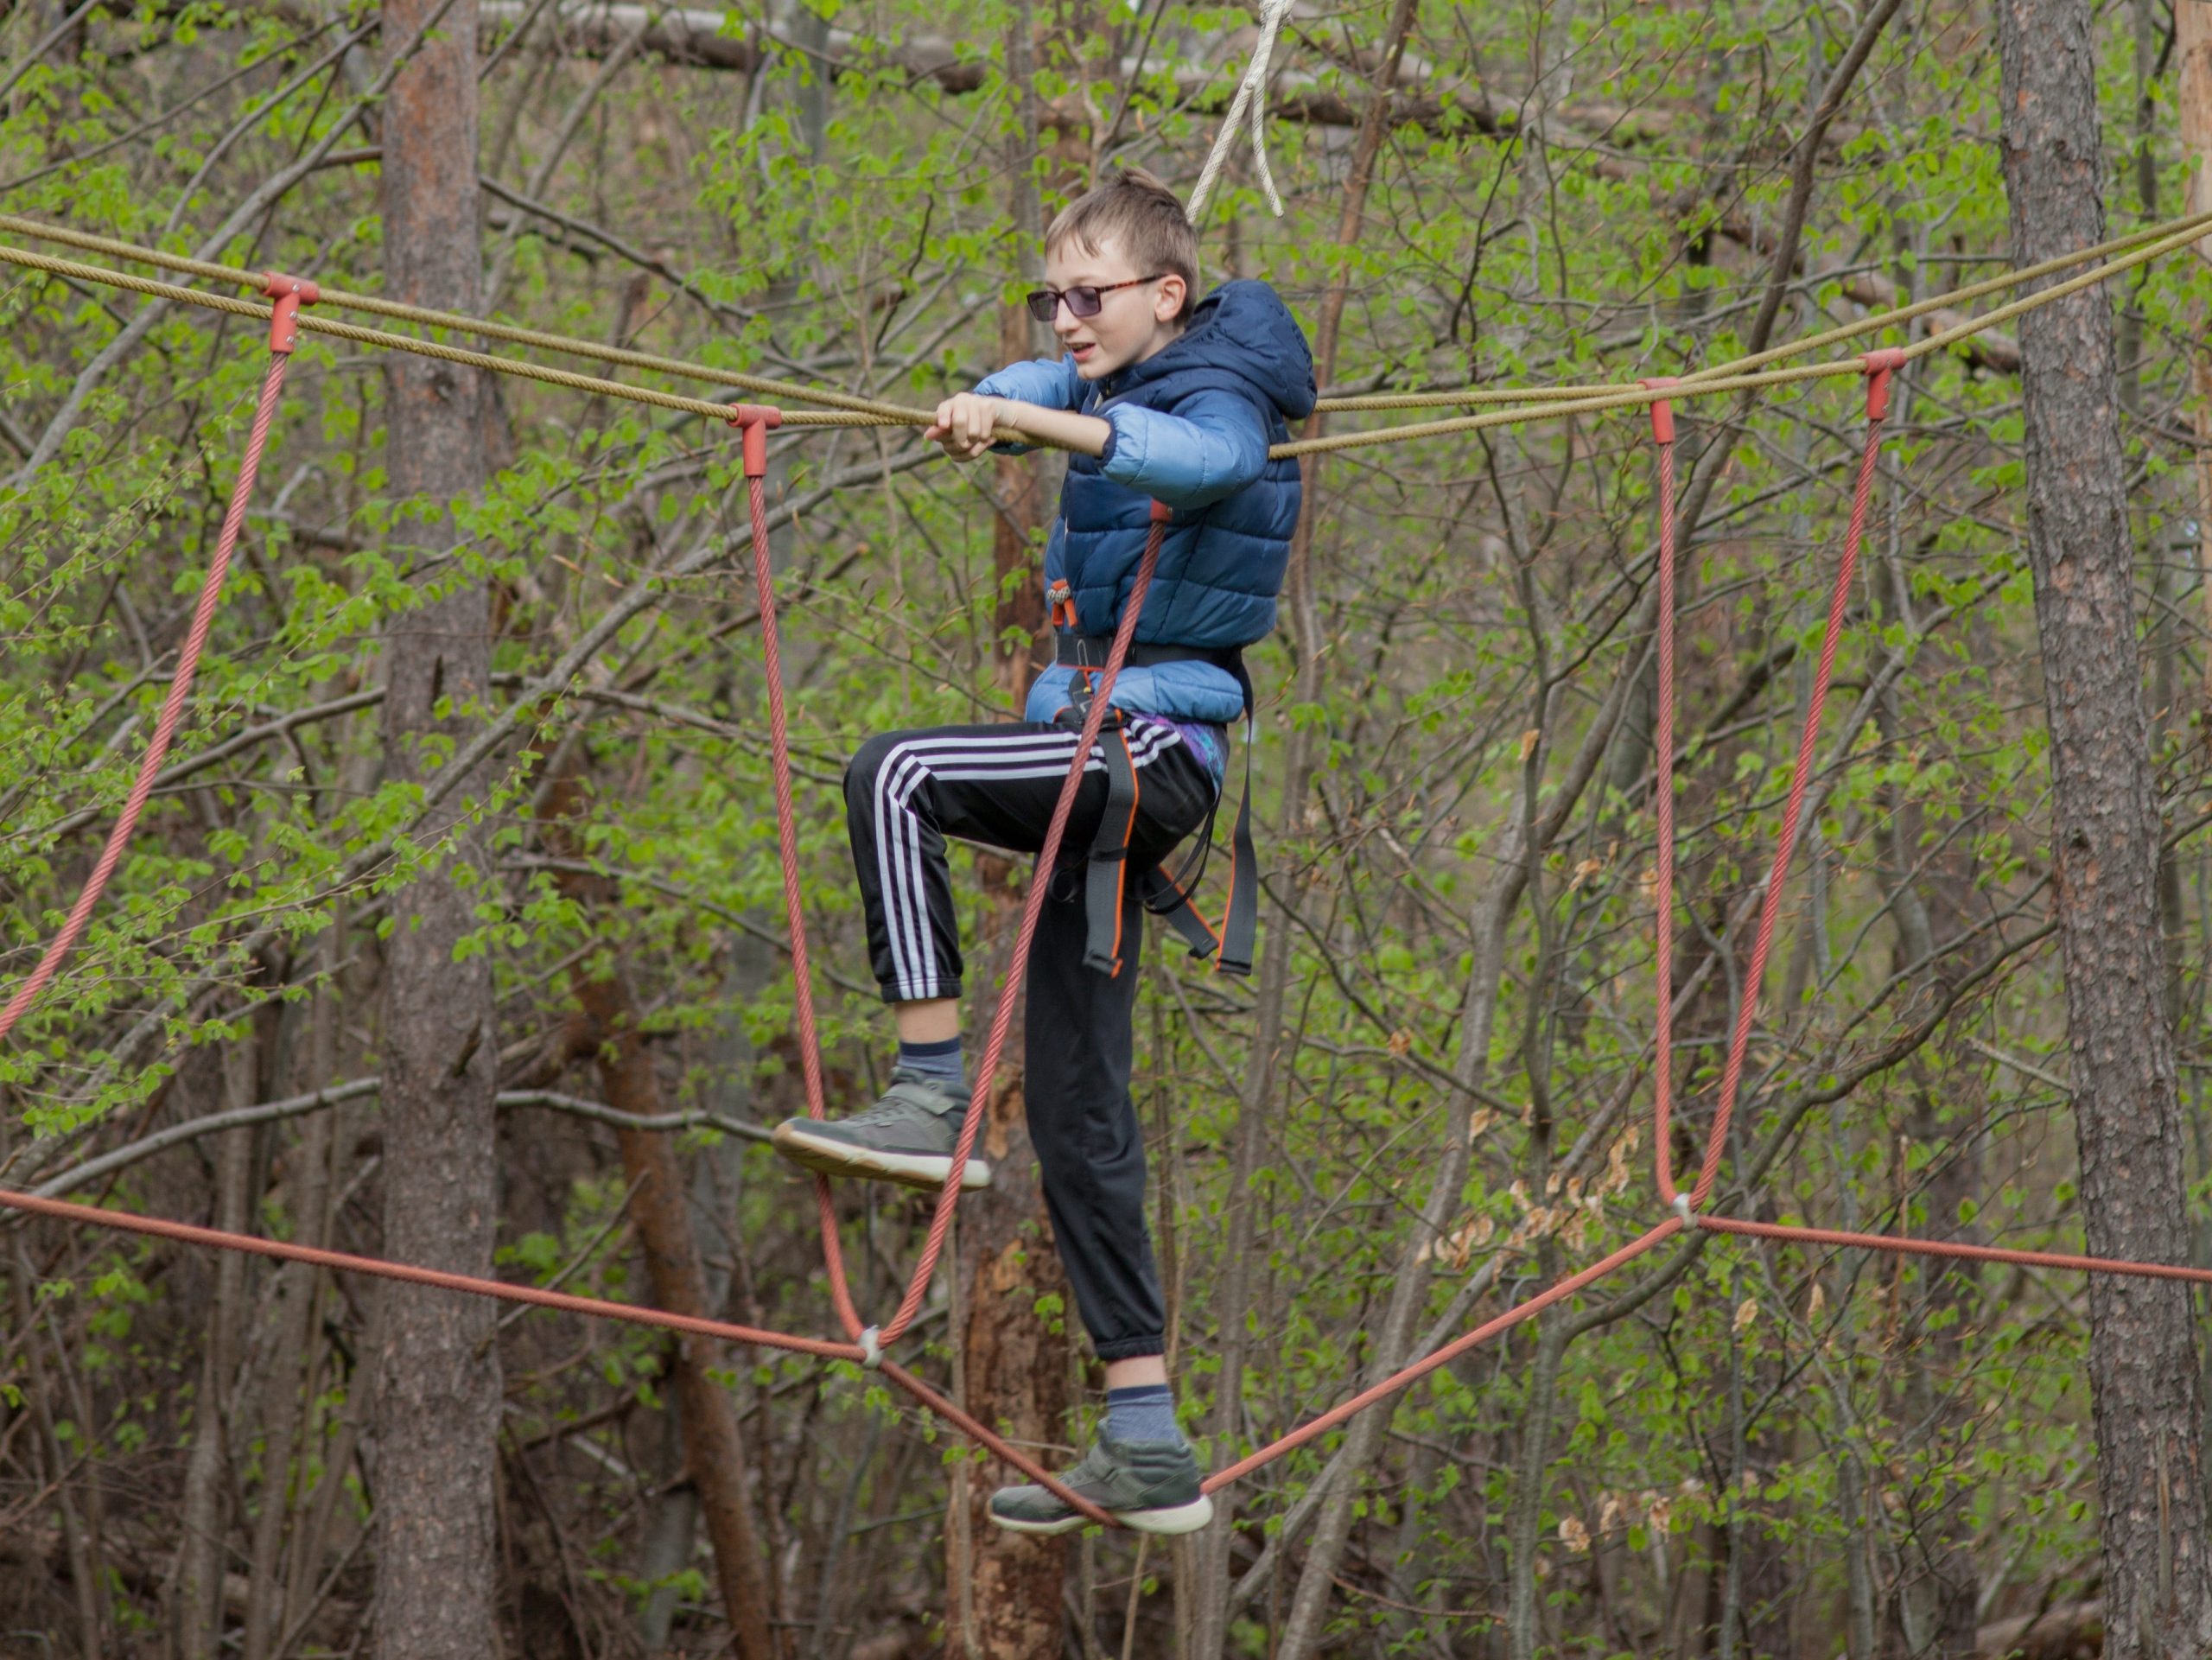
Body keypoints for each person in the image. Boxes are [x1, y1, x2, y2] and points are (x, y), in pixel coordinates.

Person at [770, 166, 1314, 1534]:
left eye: (1091, 296)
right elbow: (1055, 380)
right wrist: (1004, 392)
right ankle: (1145, 1435)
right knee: (1078, 1110)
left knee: (892, 771)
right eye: (1052, 296)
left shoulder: (1220, 392)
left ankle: (930, 1090)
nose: (1067, 319)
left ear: (1167, 297)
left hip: (1148, 759)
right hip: (1110, 759)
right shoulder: (1127, 371)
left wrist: (1024, 412)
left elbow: (1209, 466)